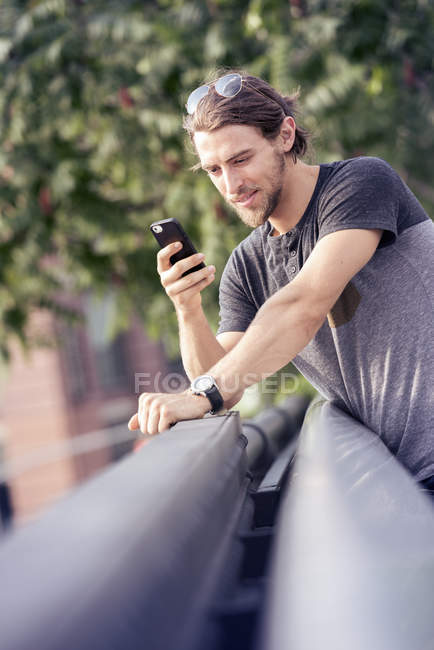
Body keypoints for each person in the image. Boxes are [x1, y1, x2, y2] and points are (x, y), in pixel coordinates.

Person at [128, 71, 434, 490]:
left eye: (240, 160)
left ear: (285, 135)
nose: (231, 186)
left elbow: (303, 305)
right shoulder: (247, 265)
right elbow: (224, 382)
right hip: (404, 485)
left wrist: (200, 394)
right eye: (214, 169)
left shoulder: (360, 183)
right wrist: (188, 308)